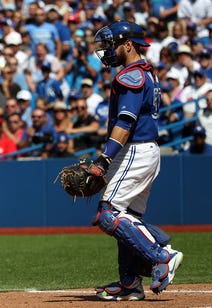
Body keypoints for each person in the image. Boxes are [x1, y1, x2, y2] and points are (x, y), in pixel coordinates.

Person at [92, 21, 183, 301]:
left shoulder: (129, 76)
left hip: (134, 150)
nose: (107, 51)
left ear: (128, 45)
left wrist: (105, 159)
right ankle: (129, 282)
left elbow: (126, 121)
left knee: (108, 214)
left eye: (111, 45)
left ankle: (161, 255)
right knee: (127, 218)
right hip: (145, 150)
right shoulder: (147, 72)